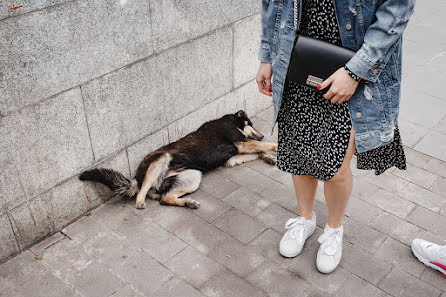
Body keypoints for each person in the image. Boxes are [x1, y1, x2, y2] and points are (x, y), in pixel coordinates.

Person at [256, 0, 415, 273]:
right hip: (298, 55)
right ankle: (305, 219)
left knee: (337, 166)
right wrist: (267, 56)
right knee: (298, 152)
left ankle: (333, 228)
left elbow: (397, 10)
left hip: (351, 66)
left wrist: (355, 71)